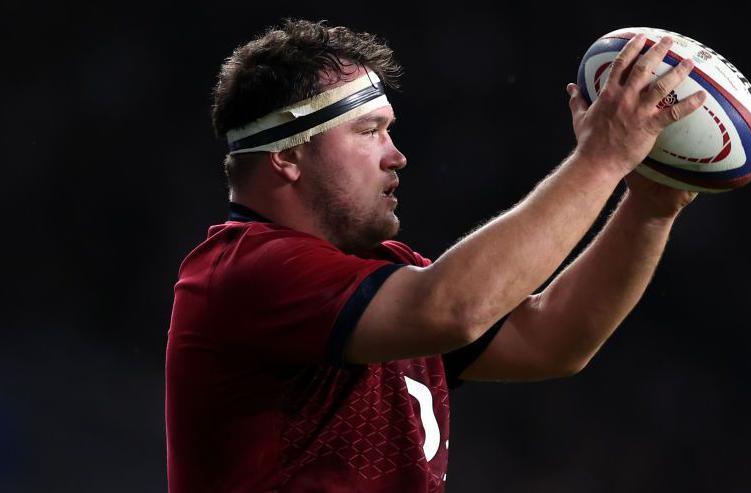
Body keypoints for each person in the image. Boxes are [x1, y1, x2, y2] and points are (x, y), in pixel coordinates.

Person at [165, 19, 705, 493]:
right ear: (287, 155)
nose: (396, 155)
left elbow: (550, 341)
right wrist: (602, 157)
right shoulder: (245, 271)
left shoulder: (383, 269)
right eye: (369, 130)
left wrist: (649, 209)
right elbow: (453, 309)